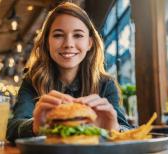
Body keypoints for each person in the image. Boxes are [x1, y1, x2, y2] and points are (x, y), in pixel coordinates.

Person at [7, 2, 132, 143]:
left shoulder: (105, 84)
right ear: (47, 42)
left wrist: (115, 128)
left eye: (78, 35)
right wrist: (35, 125)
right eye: (58, 35)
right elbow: (12, 128)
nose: (68, 44)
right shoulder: (33, 80)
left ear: (89, 43)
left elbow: (127, 130)